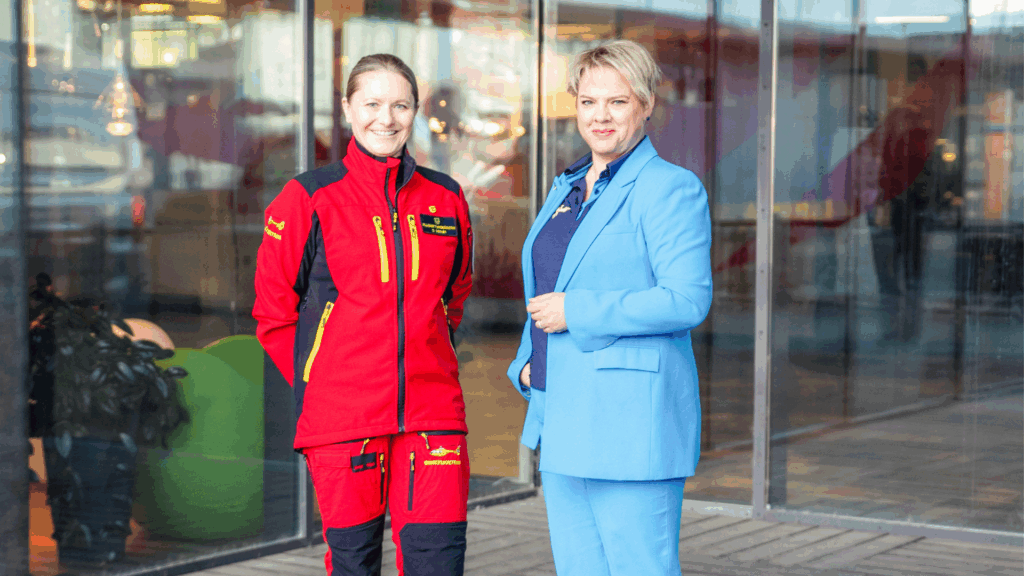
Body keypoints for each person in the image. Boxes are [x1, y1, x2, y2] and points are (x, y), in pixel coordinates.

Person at [254, 54, 474, 576]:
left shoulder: (446, 198)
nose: (386, 118)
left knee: (438, 563)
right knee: (354, 563)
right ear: (349, 108)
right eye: (372, 103)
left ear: (415, 111)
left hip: (432, 415)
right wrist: (321, 382)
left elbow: (454, 295)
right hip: (342, 419)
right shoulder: (307, 198)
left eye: (400, 105)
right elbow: (273, 313)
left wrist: (425, 352)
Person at [506, 40, 712, 576]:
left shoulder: (670, 189)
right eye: (588, 101)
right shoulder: (568, 188)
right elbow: (545, 284)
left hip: (629, 423)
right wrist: (529, 361)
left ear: (646, 105)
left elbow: (687, 299)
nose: (601, 116)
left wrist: (580, 311)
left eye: (618, 102)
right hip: (562, 412)